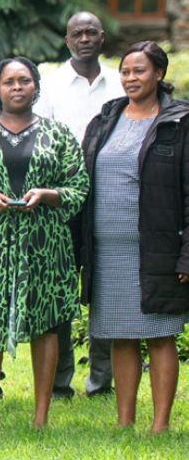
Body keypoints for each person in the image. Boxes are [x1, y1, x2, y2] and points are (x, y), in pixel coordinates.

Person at [0, 57, 89, 431]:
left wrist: (48, 194)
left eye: (24, 80)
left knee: (45, 323)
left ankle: (41, 416)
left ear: (36, 88)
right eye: (8, 81)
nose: (16, 87)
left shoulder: (57, 134)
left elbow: (79, 188)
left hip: (43, 242)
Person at [80, 41, 189, 434]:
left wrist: (187, 256)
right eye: (125, 71)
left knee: (160, 335)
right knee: (119, 335)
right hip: (107, 250)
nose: (130, 78)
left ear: (159, 74)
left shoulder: (180, 122)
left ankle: (159, 426)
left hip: (157, 247)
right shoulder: (107, 118)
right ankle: (124, 422)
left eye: (139, 71)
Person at [36, 11, 123, 399]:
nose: (84, 38)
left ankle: (101, 380)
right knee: (60, 289)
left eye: (91, 32)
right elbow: (41, 144)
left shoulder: (121, 84)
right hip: (61, 202)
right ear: (67, 40)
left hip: (110, 200)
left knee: (105, 289)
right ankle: (60, 381)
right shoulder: (50, 87)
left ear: (102, 38)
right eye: (77, 33)